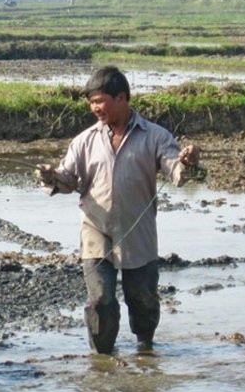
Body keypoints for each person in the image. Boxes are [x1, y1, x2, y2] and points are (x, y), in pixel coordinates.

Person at [36, 66, 201, 354]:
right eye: (91, 102)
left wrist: (187, 163)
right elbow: (67, 179)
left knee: (143, 300)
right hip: (96, 230)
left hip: (138, 231)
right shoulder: (84, 140)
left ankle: (146, 349)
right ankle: (102, 360)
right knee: (100, 300)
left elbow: (176, 171)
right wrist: (51, 177)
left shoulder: (155, 137)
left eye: (100, 101)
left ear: (122, 98)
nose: (95, 108)